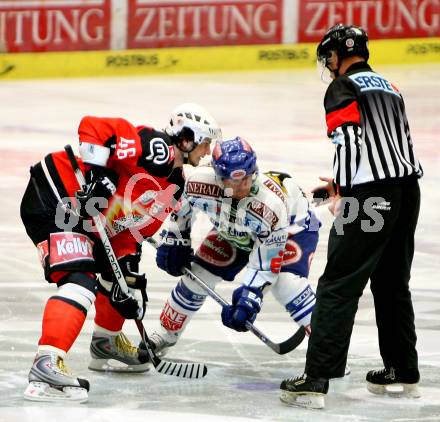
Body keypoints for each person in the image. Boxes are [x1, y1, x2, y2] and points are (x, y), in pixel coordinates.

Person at [20, 103, 221, 402]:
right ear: (187, 138)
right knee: (79, 281)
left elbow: (128, 232)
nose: (206, 152)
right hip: (56, 196)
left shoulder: (174, 186)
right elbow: (94, 127)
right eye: (204, 143)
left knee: (126, 280)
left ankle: (106, 343)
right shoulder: (157, 148)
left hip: (83, 218)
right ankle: (46, 365)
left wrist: (125, 272)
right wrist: (98, 176)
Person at [279, 24, 423, 409]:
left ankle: (316, 379)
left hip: (369, 197)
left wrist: (344, 190)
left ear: (337, 55)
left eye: (328, 57)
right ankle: (403, 369)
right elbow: (394, 148)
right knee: (393, 282)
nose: (328, 65)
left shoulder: (342, 88)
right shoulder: (389, 86)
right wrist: (343, 185)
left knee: (338, 282)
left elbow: (349, 141)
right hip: (408, 192)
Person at [144, 136, 320, 355]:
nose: (241, 187)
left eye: (246, 179)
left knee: (287, 284)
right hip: (232, 229)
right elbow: (181, 210)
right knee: (196, 277)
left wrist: (250, 296)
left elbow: (265, 264)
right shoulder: (200, 181)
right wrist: (176, 239)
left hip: (294, 226)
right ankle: (163, 335)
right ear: (218, 177)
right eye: (233, 181)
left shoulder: (270, 205)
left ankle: (327, 351)